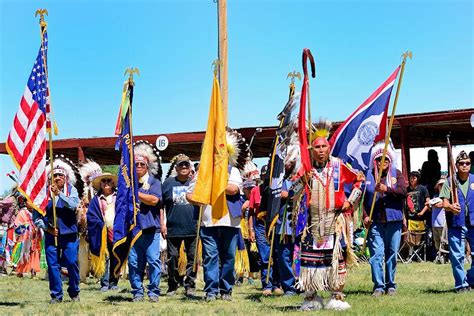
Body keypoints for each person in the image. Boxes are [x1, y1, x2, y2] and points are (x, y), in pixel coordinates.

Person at [296, 121, 363, 311]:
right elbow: (292, 192)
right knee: (310, 261)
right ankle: (311, 298)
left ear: (329, 147)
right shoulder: (305, 170)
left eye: (324, 146)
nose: (320, 150)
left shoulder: (339, 165)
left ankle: (337, 297)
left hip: (335, 222)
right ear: (312, 149)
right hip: (312, 224)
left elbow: (360, 180)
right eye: (317, 147)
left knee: (336, 261)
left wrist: (351, 201)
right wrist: (302, 182)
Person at [186, 129, 246, 302]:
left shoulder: (232, 171)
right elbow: (189, 194)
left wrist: (213, 182)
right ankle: (211, 291)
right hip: (207, 221)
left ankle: (226, 289)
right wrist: (197, 199)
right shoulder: (201, 172)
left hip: (229, 221)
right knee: (210, 256)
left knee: (229, 256)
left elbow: (234, 189)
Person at [364, 143, 407, 297]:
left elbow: (403, 192)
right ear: (374, 161)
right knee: (376, 254)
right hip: (375, 221)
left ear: (390, 160)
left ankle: (391, 285)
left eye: (385, 159)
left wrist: (386, 189)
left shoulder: (397, 174)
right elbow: (363, 199)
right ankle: (378, 286)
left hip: (393, 220)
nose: (382, 162)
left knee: (391, 253)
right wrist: (365, 216)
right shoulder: (368, 175)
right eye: (379, 159)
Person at [40, 156, 81, 304]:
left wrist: (59, 194)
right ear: (50, 179)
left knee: (71, 262)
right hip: (51, 234)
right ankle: (56, 295)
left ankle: (74, 290)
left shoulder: (71, 190)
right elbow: (37, 216)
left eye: (60, 175)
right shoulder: (43, 194)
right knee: (53, 266)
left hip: (69, 234)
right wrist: (48, 229)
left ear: (66, 177)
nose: (58, 178)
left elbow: (73, 205)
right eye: (55, 175)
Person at [128, 140, 164, 302]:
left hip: (151, 229)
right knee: (134, 263)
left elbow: (154, 200)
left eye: (142, 164)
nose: (139, 167)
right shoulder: (127, 184)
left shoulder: (154, 182)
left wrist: (135, 193)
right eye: (136, 164)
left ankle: (154, 291)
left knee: (153, 261)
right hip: (134, 229)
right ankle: (137, 291)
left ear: (147, 166)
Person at [162, 154, 198, 297]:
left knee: (192, 258)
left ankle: (190, 286)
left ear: (190, 169)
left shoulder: (196, 183)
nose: (184, 167)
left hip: (192, 227)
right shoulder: (168, 184)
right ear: (176, 168)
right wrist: (162, 224)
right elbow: (161, 205)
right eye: (181, 165)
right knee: (172, 258)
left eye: (186, 165)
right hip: (172, 228)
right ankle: (173, 284)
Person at [439, 150, 474, 292]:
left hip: (473, 223)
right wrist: (451, 207)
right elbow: (443, 202)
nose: (465, 165)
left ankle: (471, 279)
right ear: (457, 165)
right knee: (457, 256)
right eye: (461, 163)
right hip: (456, 223)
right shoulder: (449, 181)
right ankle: (461, 284)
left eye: (467, 163)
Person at [87, 171, 119, 292]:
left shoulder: (119, 197)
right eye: (103, 181)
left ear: (113, 183)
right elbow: (91, 216)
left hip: (117, 232)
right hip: (101, 232)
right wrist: (101, 224)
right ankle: (104, 283)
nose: (106, 183)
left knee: (116, 256)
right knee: (104, 257)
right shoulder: (96, 200)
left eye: (108, 181)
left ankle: (114, 281)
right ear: (100, 185)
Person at [13, 200, 42, 278]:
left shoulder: (37, 212)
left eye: (32, 201)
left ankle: (33, 272)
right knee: (24, 254)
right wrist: (27, 226)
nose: (31, 203)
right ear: (25, 203)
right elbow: (17, 224)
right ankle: (20, 271)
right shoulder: (22, 212)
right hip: (25, 238)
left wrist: (37, 227)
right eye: (29, 201)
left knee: (35, 252)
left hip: (35, 236)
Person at [430, 178, 448, 264]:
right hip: (434, 222)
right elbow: (430, 204)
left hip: (443, 223)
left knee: (444, 241)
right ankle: (439, 255)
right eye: (440, 185)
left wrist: (435, 204)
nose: (441, 186)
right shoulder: (435, 196)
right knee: (436, 241)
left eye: (443, 185)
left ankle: (444, 256)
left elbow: (438, 205)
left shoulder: (447, 197)